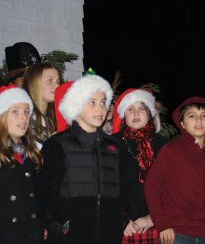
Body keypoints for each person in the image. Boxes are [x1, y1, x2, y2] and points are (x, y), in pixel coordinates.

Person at [34, 74, 127, 243]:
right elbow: (43, 192)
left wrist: (120, 220)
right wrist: (59, 224)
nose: (100, 109)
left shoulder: (114, 146)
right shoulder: (57, 144)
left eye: (103, 102)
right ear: (77, 104)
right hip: (70, 237)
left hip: (108, 236)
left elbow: (124, 188)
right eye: (92, 102)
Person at [144, 96, 205, 244]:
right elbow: (152, 188)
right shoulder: (170, 151)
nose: (199, 120)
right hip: (176, 232)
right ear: (182, 123)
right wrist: (162, 223)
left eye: (204, 116)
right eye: (192, 116)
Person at [112, 88, 169, 244]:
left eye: (141, 109)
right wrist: (121, 220)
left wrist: (154, 218)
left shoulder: (165, 146)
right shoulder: (110, 144)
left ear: (150, 113)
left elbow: (173, 188)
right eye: (130, 109)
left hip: (158, 224)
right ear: (124, 116)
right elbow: (105, 187)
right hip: (123, 226)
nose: (136, 113)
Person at [0, 84, 43, 243]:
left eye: (26, 111)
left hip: (32, 235)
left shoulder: (32, 153)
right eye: (15, 111)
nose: (23, 117)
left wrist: (43, 223)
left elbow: (39, 195)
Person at [23, 63, 61, 145]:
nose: (57, 85)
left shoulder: (59, 115)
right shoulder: (24, 119)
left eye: (58, 81)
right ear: (34, 83)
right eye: (50, 80)